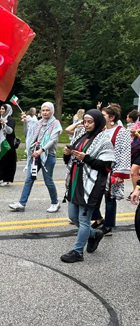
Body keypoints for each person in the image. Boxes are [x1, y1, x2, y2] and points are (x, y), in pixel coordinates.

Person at [61, 110, 115, 263]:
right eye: (85, 122)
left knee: (84, 220)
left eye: (90, 122)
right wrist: (67, 153)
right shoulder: (81, 136)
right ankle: (95, 234)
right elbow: (69, 161)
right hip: (75, 182)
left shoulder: (104, 140)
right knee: (73, 217)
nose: (86, 125)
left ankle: (78, 252)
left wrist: (87, 158)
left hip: (91, 184)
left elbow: (106, 166)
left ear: (98, 122)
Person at [9, 102, 62, 213]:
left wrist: (41, 150)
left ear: (51, 111)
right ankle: (21, 203)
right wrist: (32, 149)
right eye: (43, 110)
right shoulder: (39, 123)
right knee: (29, 179)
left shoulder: (55, 124)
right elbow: (30, 134)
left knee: (48, 181)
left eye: (47, 110)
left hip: (47, 156)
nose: (45, 112)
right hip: (35, 156)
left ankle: (55, 203)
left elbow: (53, 140)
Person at [90, 105, 130, 236]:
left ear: (112, 117)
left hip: (112, 170)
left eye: (103, 115)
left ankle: (108, 226)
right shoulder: (100, 130)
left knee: (109, 199)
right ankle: (98, 219)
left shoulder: (121, 132)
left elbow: (124, 153)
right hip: (98, 168)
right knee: (93, 196)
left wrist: (119, 173)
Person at [0, 103, 17, 186]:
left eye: (3, 109)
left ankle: (6, 179)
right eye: (1, 109)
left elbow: (10, 131)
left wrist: (4, 124)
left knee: (6, 162)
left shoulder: (11, 120)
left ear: (7, 110)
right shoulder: (0, 119)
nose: (1, 110)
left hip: (7, 145)